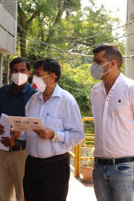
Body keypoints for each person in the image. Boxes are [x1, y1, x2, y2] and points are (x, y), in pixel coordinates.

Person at [90, 44, 134, 201]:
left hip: (124, 167)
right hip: (99, 166)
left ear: (112, 63)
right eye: (93, 61)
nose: (94, 66)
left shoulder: (133, 90)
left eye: (98, 61)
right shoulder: (95, 91)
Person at [20, 58, 85, 201]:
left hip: (55, 167)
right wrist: (19, 132)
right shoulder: (33, 100)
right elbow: (27, 129)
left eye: (38, 74)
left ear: (52, 77)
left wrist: (54, 134)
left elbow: (78, 135)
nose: (34, 79)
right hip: (31, 165)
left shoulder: (67, 101)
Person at [0, 57, 36, 201]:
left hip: (23, 153)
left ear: (29, 72)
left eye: (22, 70)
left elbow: (36, 126)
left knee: (23, 194)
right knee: (3, 194)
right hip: (1, 151)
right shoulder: (2, 92)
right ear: (10, 72)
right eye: (15, 70)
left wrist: (18, 138)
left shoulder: (35, 96)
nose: (19, 73)